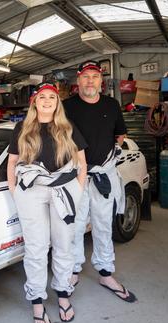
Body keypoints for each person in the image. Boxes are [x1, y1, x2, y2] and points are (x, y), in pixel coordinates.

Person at [7, 81, 88, 323]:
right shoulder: (23, 128)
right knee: (36, 247)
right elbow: (12, 162)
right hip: (31, 191)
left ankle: (63, 294)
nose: (47, 101)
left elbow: (82, 163)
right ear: (35, 101)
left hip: (64, 189)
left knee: (64, 244)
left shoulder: (67, 127)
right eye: (42, 97)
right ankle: (37, 301)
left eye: (52, 98)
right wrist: (15, 191)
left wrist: (78, 188)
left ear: (57, 103)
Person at [63, 60, 137, 303]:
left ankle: (106, 273)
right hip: (76, 177)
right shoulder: (66, 107)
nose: (90, 81)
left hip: (103, 176)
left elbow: (120, 132)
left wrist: (114, 151)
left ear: (100, 81)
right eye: (86, 77)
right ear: (78, 79)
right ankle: (73, 271)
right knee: (74, 226)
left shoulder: (112, 105)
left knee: (103, 225)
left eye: (95, 77)